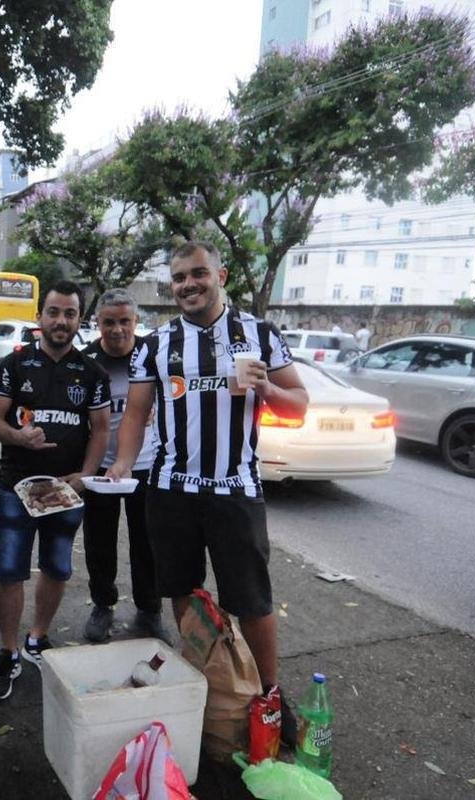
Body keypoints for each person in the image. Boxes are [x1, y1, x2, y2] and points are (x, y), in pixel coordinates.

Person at [106, 240, 309, 747]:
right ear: (170, 286)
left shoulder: (258, 334)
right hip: (171, 490)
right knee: (184, 592)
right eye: (179, 278)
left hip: (235, 489)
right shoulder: (155, 343)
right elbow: (134, 413)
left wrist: (267, 390)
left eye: (198, 274)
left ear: (220, 275)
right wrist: (124, 462)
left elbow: (299, 405)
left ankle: (270, 696)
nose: (189, 284)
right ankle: (206, 682)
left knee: (252, 600)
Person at [0, 280, 111, 701]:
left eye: (69, 313)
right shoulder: (13, 365)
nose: (61, 321)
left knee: (57, 568)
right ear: (41, 316)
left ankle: (37, 637)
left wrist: (86, 475)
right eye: (53, 312)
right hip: (16, 486)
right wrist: (20, 439)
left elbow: (101, 429)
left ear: (79, 319)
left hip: (65, 490)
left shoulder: (91, 372)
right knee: (9, 571)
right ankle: (8, 650)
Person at [79, 288, 166, 644]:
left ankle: (150, 611)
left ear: (136, 322)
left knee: (148, 542)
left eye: (125, 322)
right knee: (99, 542)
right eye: (109, 322)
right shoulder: (85, 361)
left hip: (147, 464)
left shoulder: (154, 355)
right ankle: (103, 606)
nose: (117, 330)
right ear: (98, 323)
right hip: (102, 467)